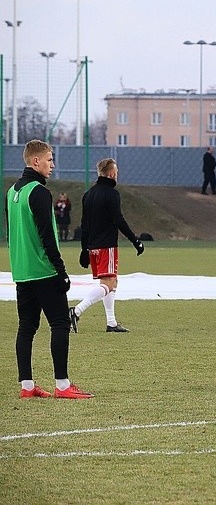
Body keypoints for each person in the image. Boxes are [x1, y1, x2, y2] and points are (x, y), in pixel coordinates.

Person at [8, 140, 93, 399]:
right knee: (60, 324)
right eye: (49, 159)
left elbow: (12, 233)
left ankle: (27, 386)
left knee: (26, 327)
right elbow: (47, 236)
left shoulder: (11, 192)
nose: (52, 165)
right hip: (44, 271)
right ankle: (63, 385)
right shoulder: (40, 193)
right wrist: (61, 271)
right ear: (36, 161)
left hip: (22, 272)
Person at [72, 158, 144, 333]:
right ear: (111, 174)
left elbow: (84, 224)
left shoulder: (88, 195)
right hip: (107, 246)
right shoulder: (112, 194)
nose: (117, 174)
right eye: (116, 172)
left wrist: (84, 249)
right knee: (109, 284)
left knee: (111, 281)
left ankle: (111, 323)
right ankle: (76, 311)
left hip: (93, 247)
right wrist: (135, 240)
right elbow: (118, 220)